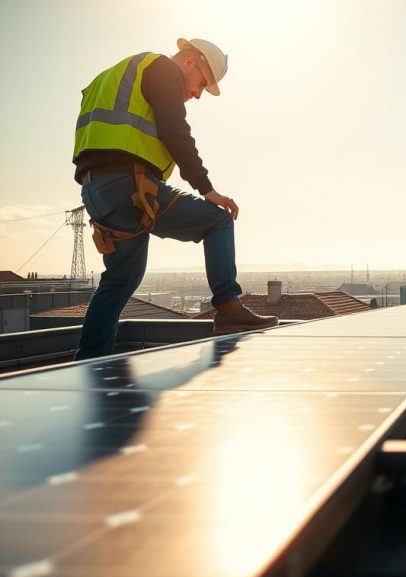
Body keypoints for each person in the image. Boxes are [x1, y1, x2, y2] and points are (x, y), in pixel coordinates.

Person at [73, 38, 277, 360]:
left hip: (96, 190)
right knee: (218, 220)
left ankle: (87, 362)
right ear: (189, 62)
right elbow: (175, 129)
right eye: (201, 84)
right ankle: (227, 307)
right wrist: (206, 188)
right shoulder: (162, 68)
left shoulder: (111, 79)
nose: (197, 94)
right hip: (130, 184)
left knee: (119, 282)